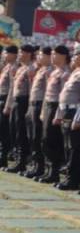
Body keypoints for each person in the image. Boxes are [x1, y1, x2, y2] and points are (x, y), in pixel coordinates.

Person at [56, 44, 80, 192]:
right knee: (67, 147)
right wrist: (59, 114)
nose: (74, 57)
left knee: (75, 149)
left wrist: (78, 118)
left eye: (78, 55)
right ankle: (68, 177)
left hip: (75, 113)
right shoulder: (76, 72)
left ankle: (73, 180)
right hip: (66, 112)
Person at [39, 45, 70, 184]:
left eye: (54, 54)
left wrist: (59, 113)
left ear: (63, 56)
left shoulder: (65, 73)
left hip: (56, 107)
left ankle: (54, 171)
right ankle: (48, 170)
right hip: (48, 106)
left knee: (52, 139)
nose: (52, 57)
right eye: (51, 54)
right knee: (45, 139)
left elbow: (64, 96)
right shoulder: (54, 72)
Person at [7, 44, 37, 174]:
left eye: (21, 53)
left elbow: (31, 89)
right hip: (16, 101)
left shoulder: (31, 68)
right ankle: (18, 159)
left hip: (24, 102)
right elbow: (13, 88)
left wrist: (30, 107)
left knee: (22, 133)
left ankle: (22, 162)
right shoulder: (21, 68)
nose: (19, 55)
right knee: (14, 131)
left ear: (28, 54)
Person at [26, 46, 53, 179]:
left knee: (39, 137)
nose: (38, 57)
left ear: (49, 56)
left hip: (41, 105)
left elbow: (48, 92)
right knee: (32, 136)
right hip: (33, 104)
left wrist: (42, 110)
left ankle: (41, 167)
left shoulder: (50, 71)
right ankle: (35, 165)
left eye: (41, 55)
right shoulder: (40, 70)